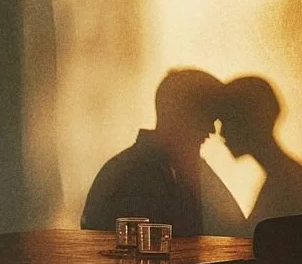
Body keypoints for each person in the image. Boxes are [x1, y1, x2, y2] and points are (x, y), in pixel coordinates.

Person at [81, 68, 245, 237]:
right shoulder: (134, 176)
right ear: (181, 115)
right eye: (206, 119)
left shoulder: (174, 168)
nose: (212, 131)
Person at [219, 74, 302, 235]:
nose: (221, 133)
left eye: (226, 121)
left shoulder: (285, 182)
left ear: (248, 121)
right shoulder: (287, 174)